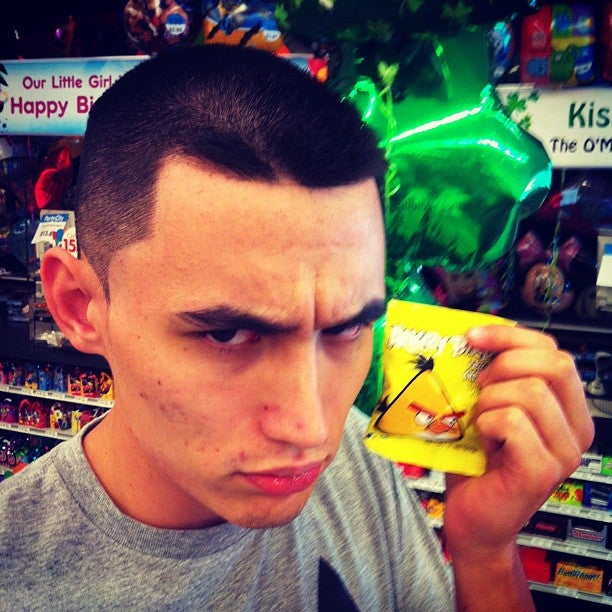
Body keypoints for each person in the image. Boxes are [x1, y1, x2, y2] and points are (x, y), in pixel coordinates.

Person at [0, 43, 594, 610]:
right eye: (227, 335)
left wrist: (485, 554)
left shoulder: (358, 464)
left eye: (346, 328)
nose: (310, 429)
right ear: (80, 306)